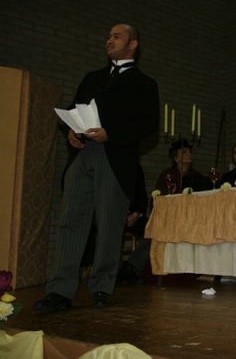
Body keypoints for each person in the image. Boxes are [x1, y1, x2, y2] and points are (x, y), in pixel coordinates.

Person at [34, 24, 159, 312]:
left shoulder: (144, 84)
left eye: (117, 36)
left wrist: (111, 133)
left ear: (133, 45)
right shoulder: (93, 78)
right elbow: (74, 110)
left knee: (109, 225)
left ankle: (101, 287)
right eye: (109, 36)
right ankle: (60, 291)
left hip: (114, 158)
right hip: (83, 156)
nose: (110, 40)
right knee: (70, 221)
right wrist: (71, 132)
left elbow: (148, 124)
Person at [117, 166, 150, 285]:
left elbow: (142, 195)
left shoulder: (136, 168)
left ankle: (131, 267)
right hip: (112, 216)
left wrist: (136, 214)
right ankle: (108, 271)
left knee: (154, 229)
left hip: (133, 216)